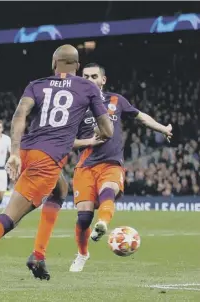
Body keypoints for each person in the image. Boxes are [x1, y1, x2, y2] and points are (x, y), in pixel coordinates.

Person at [0, 45, 114, 292]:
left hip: (28, 151)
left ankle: (38, 257)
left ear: (54, 64)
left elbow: (19, 116)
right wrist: (95, 135)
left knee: (60, 190)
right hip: (47, 160)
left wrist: (14, 153)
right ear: (78, 66)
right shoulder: (88, 88)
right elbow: (108, 130)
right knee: (9, 218)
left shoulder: (37, 85)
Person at [69, 63, 172, 272]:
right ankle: (82, 254)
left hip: (111, 163)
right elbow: (64, 142)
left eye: (94, 76)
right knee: (83, 218)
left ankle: (104, 224)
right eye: (85, 76)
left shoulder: (116, 101)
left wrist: (163, 129)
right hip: (85, 167)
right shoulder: (75, 107)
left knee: (108, 191)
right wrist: (88, 141)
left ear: (103, 80)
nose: (89, 79)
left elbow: (141, 117)